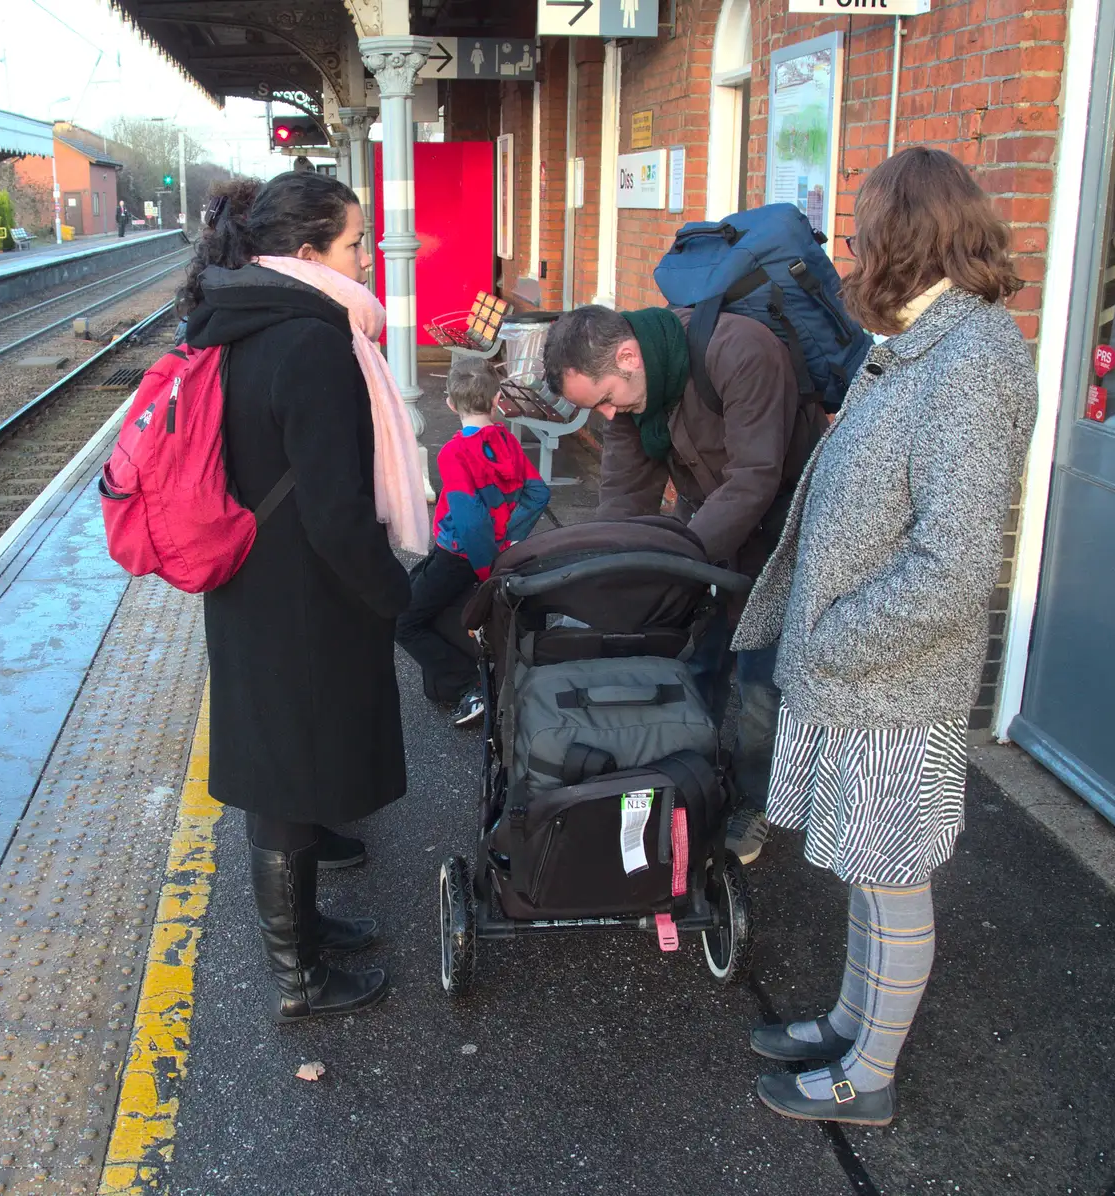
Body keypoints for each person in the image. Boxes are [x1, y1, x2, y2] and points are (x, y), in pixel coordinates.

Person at [732, 147, 1036, 1126]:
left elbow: (951, 562)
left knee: (892, 877)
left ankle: (867, 1075)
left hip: (891, 677)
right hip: (863, 673)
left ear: (903, 236)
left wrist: (834, 639)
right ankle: (849, 1024)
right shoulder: (920, 340)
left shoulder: (973, 359)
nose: (848, 247)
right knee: (869, 870)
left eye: (860, 228)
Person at [178, 173, 427, 1022]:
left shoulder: (249, 319)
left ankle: (309, 929)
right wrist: (391, 591)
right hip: (300, 593)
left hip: (260, 584)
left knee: (287, 766)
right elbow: (334, 506)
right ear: (310, 253)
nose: (368, 257)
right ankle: (301, 979)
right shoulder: (312, 344)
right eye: (356, 242)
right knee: (284, 786)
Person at [542, 299, 823, 866]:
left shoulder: (739, 349)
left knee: (763, 683)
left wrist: (684, 557)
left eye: (603, 399)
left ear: (627, 356)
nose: (606, 415)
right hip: (708, 523)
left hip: (784, 530)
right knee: (695, 662)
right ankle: (684, 781)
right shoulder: (635, 393)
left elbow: (755, 478)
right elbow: (623, 498)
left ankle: (754, 800)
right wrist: (600, 578)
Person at [396, 355, 550, 726]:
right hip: (480, 552)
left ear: (449, 403)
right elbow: (537, 494)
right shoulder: (509, 442)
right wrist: (509, 540)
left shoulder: (454, 452)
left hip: (460, 556)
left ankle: (470, 686)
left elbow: (470, 520)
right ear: (498, 399)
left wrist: (487, 569)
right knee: (412, 590)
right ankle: (466, 680)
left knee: (401, 621)